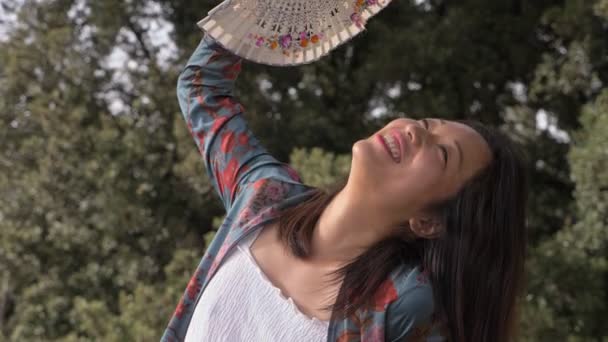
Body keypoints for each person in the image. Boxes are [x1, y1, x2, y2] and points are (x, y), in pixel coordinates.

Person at [161, 32, 529, 342]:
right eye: (428, 122)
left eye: (444, 154)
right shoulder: (263, 198)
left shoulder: (403, 309)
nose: (416, 130)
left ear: (430, 222)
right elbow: (201, 87)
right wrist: (257, 12)